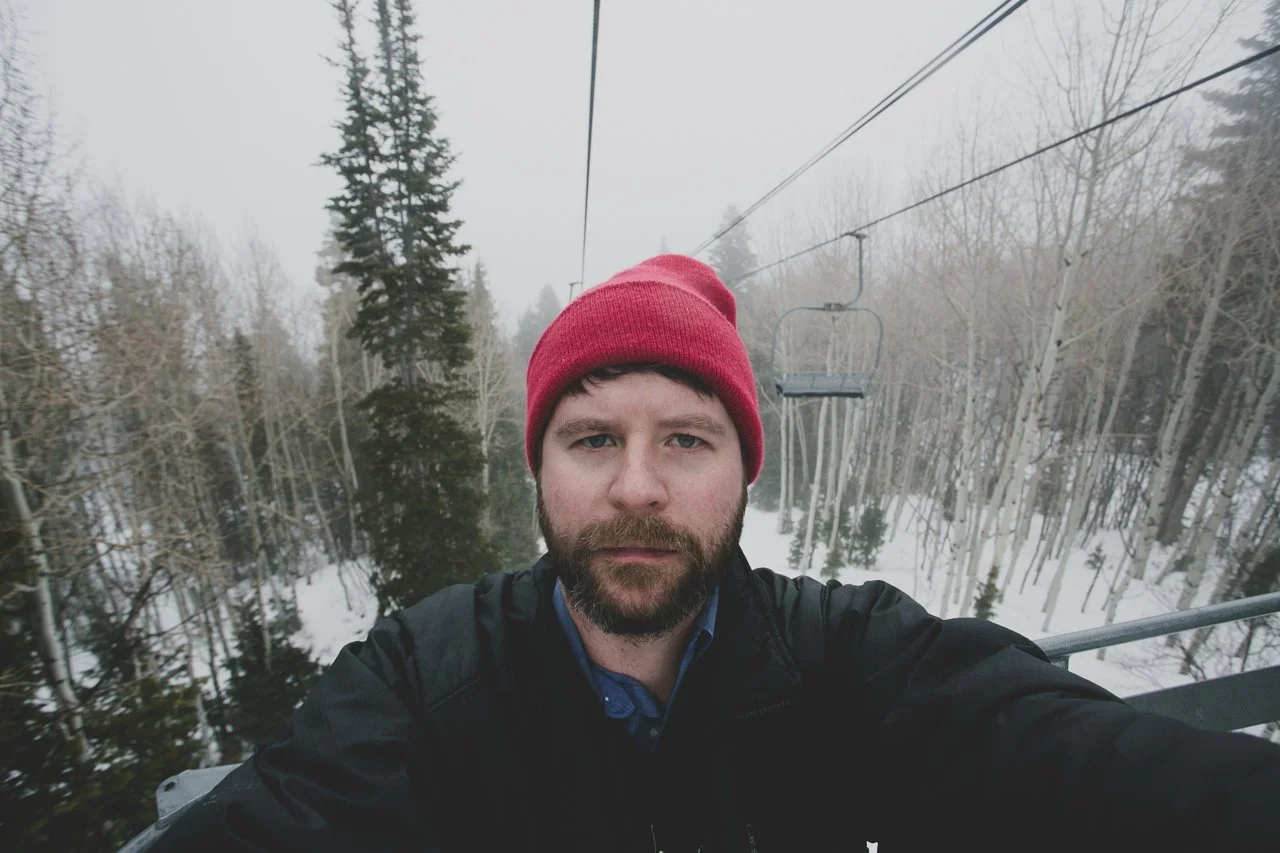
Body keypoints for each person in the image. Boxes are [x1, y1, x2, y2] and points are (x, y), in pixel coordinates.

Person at [152, 255, 1280, 853]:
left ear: (744, 473)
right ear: (538, 469)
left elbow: (1065, 758)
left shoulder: (843, 655)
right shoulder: (422, 680)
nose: (637, 485)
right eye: (593, 438)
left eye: (686, 440)